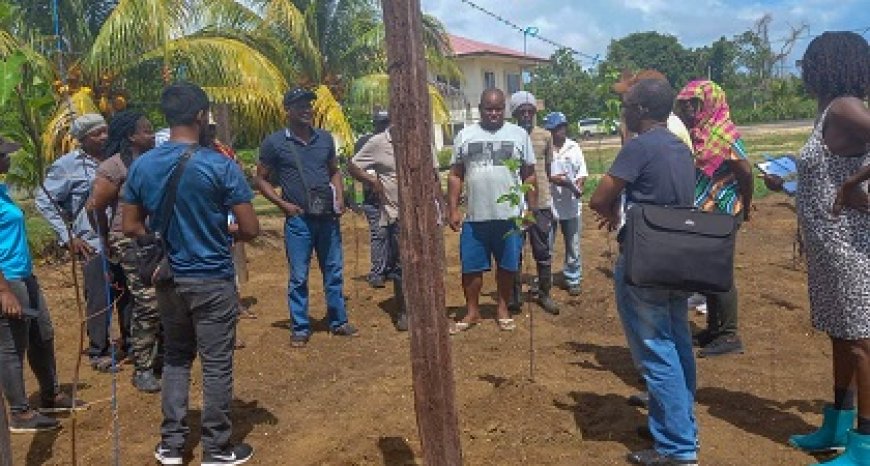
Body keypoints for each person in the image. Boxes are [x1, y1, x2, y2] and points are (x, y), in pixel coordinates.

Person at [122, 82, 259, 465]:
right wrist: (220, 228)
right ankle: (216, 449)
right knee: (216, 364)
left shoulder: (143, 164)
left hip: (168, 277)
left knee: (177, 359)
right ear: (201, 116)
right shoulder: (220, 164)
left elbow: (130, 224)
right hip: (212, 276)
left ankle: (171, 445)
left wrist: (165, 237)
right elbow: (249, 228)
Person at [590, 78, 698, 466]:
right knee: (678, 341)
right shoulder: (680, 148)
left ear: (639, 111)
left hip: (644, 258)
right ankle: (678, 426)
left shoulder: (639, 147)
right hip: (679, 256)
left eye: (626, 107)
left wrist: (612, 213)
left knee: (655, 348)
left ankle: (676, 449)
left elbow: (599, 196)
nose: (623, 112)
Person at [784, 31, 870, 466]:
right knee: (841, 337)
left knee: (861, 344)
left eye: (811, 63)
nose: (806, 71)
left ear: (829, 66)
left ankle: (865, 447)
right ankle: (836, 426)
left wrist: (854, 185)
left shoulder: (844, 107)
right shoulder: (831, 111)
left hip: (852, 247)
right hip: (831, 250)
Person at [253, 87, 358, 348]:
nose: (306, 110)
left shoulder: (324, 139)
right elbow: (260, 178)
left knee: (333, 271)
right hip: (299, 220)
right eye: (299, 106)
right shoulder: (275, 143)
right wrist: (282, 204)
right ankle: (300, 327)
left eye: (308, 105)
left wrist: (339, 197)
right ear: (287, 110)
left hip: (327, 218)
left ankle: (338, 321)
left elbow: (334, 171)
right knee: (299, 275)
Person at [0, 138, 86, 432]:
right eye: (4, 155)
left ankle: (50, 394)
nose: (8, 160)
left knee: (43, 334)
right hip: (8, 279)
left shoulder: (2, 192)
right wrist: (3, 291)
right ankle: (20, 413)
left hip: (24, 275)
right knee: (12, 346)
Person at [35, 113, 132, 373]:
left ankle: (132, 344)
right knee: (99, 295)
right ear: (83, 139)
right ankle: (99, 350)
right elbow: (44, 200)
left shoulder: (120, 159)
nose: (103, 137)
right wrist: (68, 236)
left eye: (105, 131)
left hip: (123, 236)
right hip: (92, 241)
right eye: (96, 134)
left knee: (128, 291)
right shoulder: (67, 166)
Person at [447, 88, 536, 334]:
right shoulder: (465, 135)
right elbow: (455, 175)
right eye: (489, 108)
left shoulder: (519, 135)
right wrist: (452, 208)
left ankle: (503, 309)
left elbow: (529, 174)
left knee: (508, 266)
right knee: (471, 267)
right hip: (476, 216)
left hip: (509, 215)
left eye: (498, 108)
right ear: (480, 109)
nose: (494, 113)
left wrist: (530, 208)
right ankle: (472, 311)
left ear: (504, 110)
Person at [675, 79, 753, 357]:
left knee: (719, 273)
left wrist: (746, 204)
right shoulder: (696, 132)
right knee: (705, 272)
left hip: (723, 211)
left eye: (693, 104)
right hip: (704, 212)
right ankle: (714, 329)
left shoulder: (725, 134)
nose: (687, 109)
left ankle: (729, 334)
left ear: (710, 103)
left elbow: (745, 172)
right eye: (684, 104)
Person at [86, 110, 161, 393]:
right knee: (147, 300)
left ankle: (160, 354)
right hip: (129, 240)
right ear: (131, 136)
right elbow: (94, 207)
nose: (152, 135)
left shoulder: (156, 162)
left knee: (164, 296)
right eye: (146, 130)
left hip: (157, 238)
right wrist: (105, 237)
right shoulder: (114, 168)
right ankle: (143, 366)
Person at [347, 121, 407, 331]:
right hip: (396, 213)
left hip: (421, 215)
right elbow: (352, 165)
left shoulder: (420, 137)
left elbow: (434, 174)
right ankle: (403, 311)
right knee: (401, 263)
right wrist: (372, 181)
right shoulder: (378, 142)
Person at [510, 91, 559, 314]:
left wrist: (545, 196)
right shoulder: (509, 136)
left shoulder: (545, 136)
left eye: (530, 111)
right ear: (515, 114)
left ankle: (545, 293)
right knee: (514, 250)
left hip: (540, 203)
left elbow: (547, 170)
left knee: (542, 250)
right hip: (516, 203)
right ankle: (514, 295)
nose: (527, 115)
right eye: (523, 112)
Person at [543, 111, 587, 296]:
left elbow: (582, 172)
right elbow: (541, 174)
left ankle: (573, 277)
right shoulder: (546, 149)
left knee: (573, 243)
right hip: (549, 203)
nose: (559, 132)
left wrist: (577, 185)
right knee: (546, 244)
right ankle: (544, 279)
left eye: (561, 128)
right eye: (554, 129)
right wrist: (554, 180)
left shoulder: (573, 147)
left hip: (570, 205)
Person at [355, 111, 393, 288]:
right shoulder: (366, 143)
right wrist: (357, 198)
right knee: (379, 234)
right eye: (380, 123)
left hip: (391, 201)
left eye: (386, 122)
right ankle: (377, 272)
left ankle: (390, 268)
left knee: (393, 235)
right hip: (373, 199)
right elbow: (355, 168)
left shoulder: (394, 142)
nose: (383, 126)